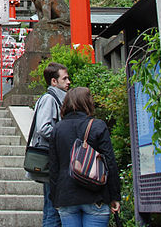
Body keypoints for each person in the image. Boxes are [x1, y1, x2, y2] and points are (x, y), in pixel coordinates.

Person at [49, 87, 121, 227]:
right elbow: (110, 162)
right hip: (96, 195)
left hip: (66, 196)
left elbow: (53, 167)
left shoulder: (57, 129)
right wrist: (115, 196)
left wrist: (55, 198)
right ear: (88, 103)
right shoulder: (97, 125)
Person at [28, 61, 70, 227]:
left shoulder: (57, 99)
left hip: (54, 158)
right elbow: (43, 127)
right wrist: (65, 135)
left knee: (53, 205)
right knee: (53, 207)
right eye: (64, 78)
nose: (68, 82)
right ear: (54, 81)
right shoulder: (50, 99)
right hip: (51, 159)